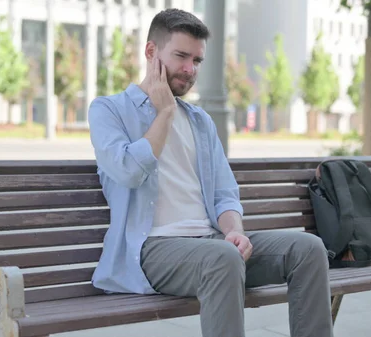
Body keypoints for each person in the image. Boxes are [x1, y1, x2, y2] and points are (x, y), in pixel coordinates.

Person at [88, 8, 334, 337]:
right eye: (180, 56)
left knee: (308, 249)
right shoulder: (108, 110)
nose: (190, 69)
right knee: (222, 259)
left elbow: (223, 193)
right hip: (151, 248)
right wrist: (164, 114)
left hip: (211, 244)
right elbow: (129, 171)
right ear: (151, 52)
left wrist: (234, 231)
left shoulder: (201, 122)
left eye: (197, 60)